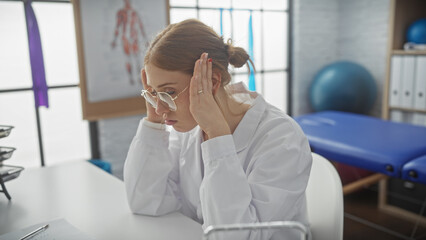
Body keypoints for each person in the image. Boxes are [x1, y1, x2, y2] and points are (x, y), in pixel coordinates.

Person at [123, 19, 312, 240]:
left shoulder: (281, 138)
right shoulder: (189, 128)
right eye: (154, 93)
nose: (161, 107)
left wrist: (218, 138)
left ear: (211, 82)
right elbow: (147, 202)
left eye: (169, 92)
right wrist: (153, 120)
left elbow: (234, 236)